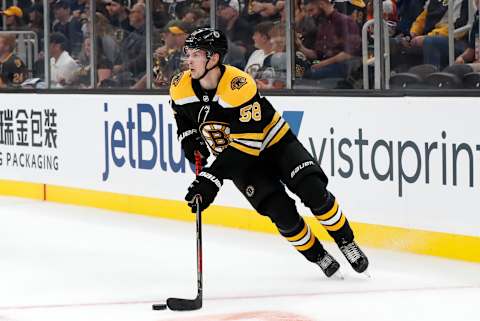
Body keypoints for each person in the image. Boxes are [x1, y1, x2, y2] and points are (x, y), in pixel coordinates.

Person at [170, 28, 369, 278]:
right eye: (188, 53)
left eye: (196, 54)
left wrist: (211, 178)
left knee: (314, 192)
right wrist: (189, 138)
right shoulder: (180, 87)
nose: (189, 60)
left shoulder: (238, 85)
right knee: (281, 214)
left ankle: (345, 240)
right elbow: (182, 116)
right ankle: (319, 256)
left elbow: (247, 145)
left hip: (275, 145)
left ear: (214, 58)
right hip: (241, 164)